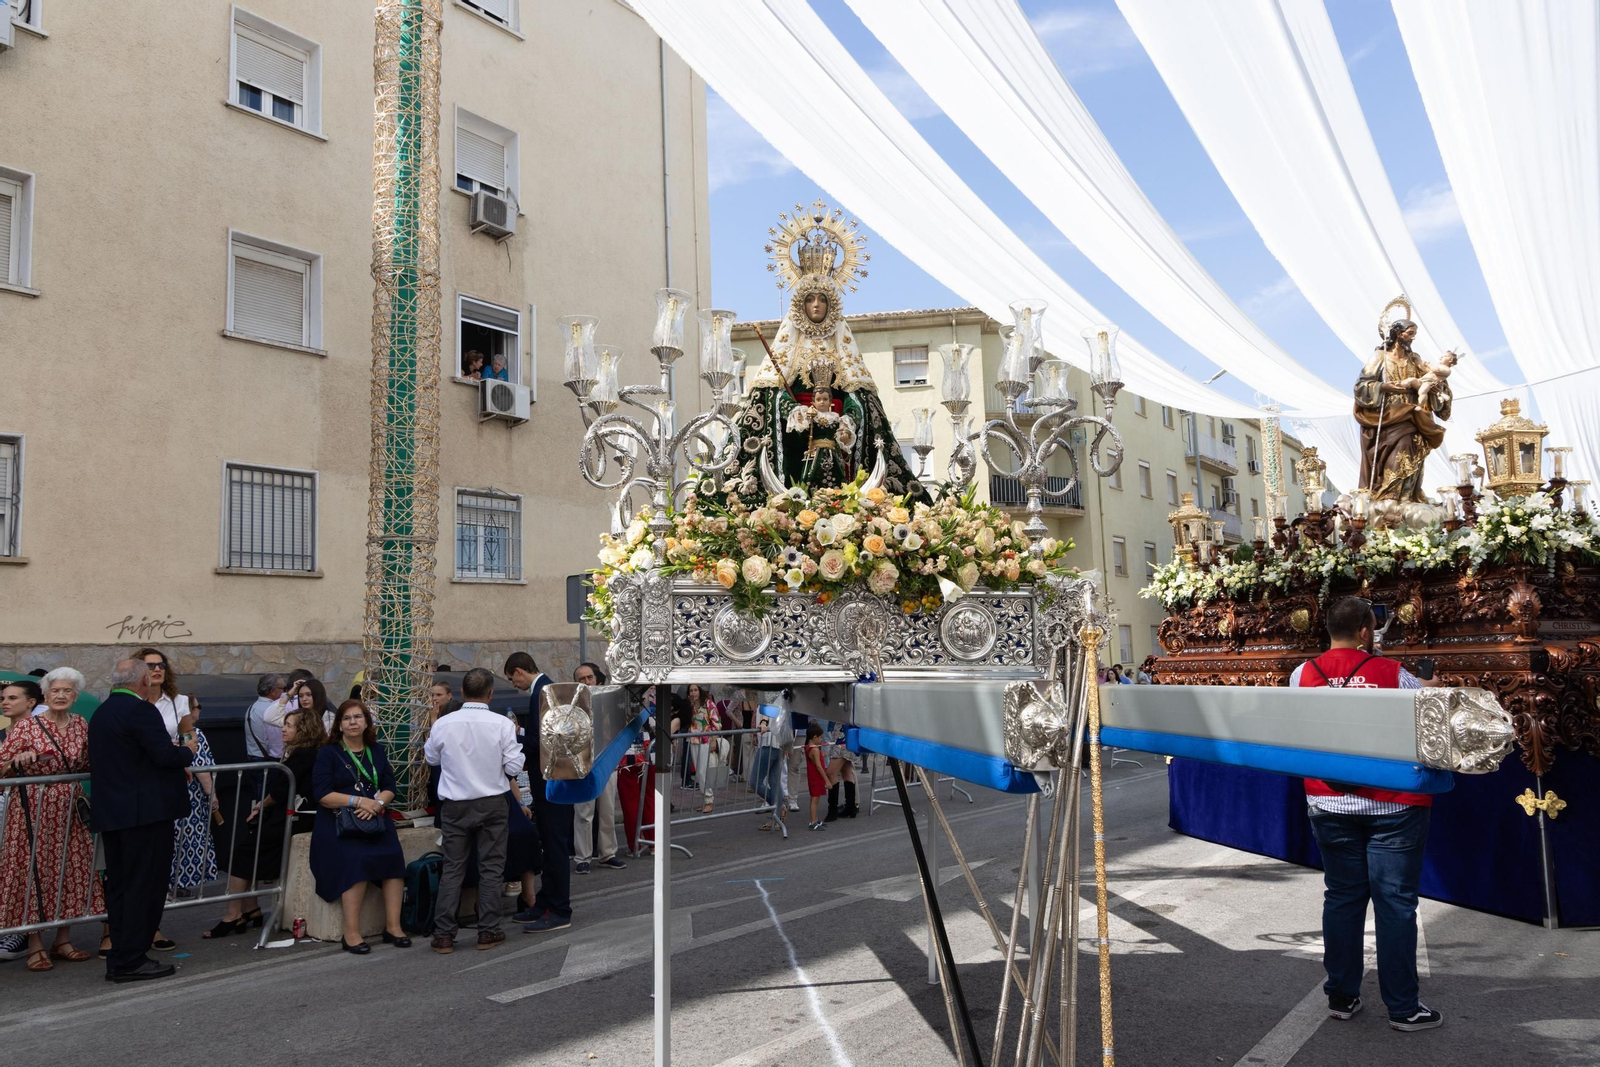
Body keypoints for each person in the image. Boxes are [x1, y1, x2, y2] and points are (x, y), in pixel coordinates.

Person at [1291, 596, 1443, 1032]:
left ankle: (1341, 997)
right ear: (1365, 631)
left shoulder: (1302, 674)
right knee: (1395, 902)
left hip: (1329, 801)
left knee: (1342, 896)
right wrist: (1432, 684)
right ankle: (1403, 1008)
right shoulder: (1393, 673)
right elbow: (1427, 709)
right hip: (1393, 804)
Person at [725, 202, 924, 504]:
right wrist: (793, 411)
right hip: (795, 443)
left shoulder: (842, 345)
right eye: (810, 299)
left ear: (831, 305)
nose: (816, 305)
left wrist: (847, 420)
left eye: (822, 299)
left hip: (839, 439)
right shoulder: (787, 345)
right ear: (800, 305)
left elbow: (860, 398)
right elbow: (768, 397)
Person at [89, 659, 197, 982]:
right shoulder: (140, 711)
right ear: (143, 682)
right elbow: (165, 756)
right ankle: (133, 957)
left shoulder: (102, 712)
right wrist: (188, 749)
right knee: (145, 887)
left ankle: (121, 957)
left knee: (121, 887)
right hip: (145, 815)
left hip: (115, 814)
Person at [0, 668, 104, 972]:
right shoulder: (26, 728)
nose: (61, 696)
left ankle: (63, 939)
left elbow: (86, 762)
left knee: (69, 872)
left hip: (68, 811)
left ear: (75, 696)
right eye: (55, 690)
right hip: (31, 811)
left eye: (68, 691)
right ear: (44, 695)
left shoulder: (80, 725)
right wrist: (14, 762)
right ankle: (34, 944)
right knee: (34, 873)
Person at [424, 668, 524, 953]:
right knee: (491, 868)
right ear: (490, 694)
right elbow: (513, 767)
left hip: (455, 804)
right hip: (492, 802)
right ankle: (488, 931)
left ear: (461, 693)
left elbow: (431, 757)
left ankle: (443, 934)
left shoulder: (444, 723)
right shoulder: (502, 724)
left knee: (453, 869)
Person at [207, 706, 324, 937]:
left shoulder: (304, 755)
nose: (283, 729)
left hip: (294, 820)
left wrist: (261, 805)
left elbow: (280, 791)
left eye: (289, 725)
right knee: (249, 844)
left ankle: (233, 915)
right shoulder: (305, 752)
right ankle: (251, 909)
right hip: (290, 816)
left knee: (242, 852)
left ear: (303, 730)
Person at [310, 700, 409, 954]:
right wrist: (357, 801)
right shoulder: (328, 753)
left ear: (366, 722)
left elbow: (389, 786)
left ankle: (393, 927)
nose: (352, 722)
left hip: (374, 818)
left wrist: (375, 804)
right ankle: (351, 933)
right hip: (338, 823)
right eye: (346, 718)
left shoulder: (375, 750)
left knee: (394, 857)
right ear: (339, 725)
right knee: (356, 860)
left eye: (357, 717)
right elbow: (322, 794)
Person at [1354, 311, 1452, 503]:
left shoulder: (1414, 359)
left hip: (1414, 415)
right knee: (1400, 447)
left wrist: (1438, 384)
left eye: (1414, 333)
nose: (1413, 337)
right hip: (1389, 415)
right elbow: (1361, 387)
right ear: (1398, 334)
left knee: (1412, 447)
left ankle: (1407, 496)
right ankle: (1388, 495)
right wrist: (1383, 386)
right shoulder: (1379, 357)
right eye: (1410, 333)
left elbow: (1429, 379)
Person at [505, 651, 573, 932]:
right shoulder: (546, 689)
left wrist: (515, 733)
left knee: (555, 847)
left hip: (551, 783)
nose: (514, 685)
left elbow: (541, 741)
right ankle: (545, 901)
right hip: (550, 782)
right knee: (549, 844)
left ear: (520, 671)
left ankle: (560, 909)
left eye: (512, 679)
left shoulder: (541, 692)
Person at [571, 663, 625, 874]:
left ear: (596, 679)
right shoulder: (572, 707)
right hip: (583, 764)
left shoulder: (610, 701)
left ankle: (607, 854)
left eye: (589, 678)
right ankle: (582, 857)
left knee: (607, 811)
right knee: (584, 812)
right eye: (581, 679)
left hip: (607, 761)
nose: (586, 682)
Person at [751, 698, 793, 832]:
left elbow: (769, 710)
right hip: (776, 744)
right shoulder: (779, 695)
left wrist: (764, 721)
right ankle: (776, 817)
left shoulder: (770, 695)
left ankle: (778, 808)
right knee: (774, 782)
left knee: (755, 781)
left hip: (769, 743)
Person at [684, 684, 727, 815]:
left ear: (700, 691)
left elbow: (716, 722)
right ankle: (706, 799)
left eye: (695, 690)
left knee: (704, 771)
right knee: (699, 772)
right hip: (693, 740)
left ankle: (709, 800)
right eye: (691, 691)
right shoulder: (689, 706)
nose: (693, 693)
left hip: (705, 741)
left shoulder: (708, 703)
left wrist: (713, 740)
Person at [244, 673, 287, 763]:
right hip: (267, 760)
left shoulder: (252, 707)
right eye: (283, 688)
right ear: (273, 691)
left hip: (251, 758)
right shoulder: (271, 710)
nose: (284, 692)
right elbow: (276, 741)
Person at [823, 719, 858, 821]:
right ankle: (850, 807)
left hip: (843, 735)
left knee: (831, 772)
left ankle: (833, 810)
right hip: (845, 733)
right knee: (846, 771)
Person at [803, 722, 831, 831]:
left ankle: (815, 819)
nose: (821, 740)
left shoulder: (810, 747)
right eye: (820, 738)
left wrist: (821, 755)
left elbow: (815, 760)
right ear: (815, 737)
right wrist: (827, 780)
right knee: (815, 799)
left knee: (815, 798)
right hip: (816, 776)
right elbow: (818, 766)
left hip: (813, 776)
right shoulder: (814, 749)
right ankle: (813, 821)